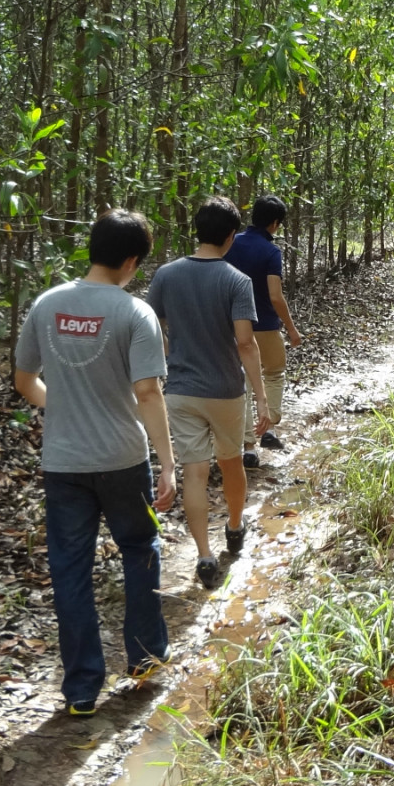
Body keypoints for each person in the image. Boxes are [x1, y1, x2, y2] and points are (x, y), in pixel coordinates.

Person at [11, 209, 177, 718]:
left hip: (64, 462)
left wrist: (61, 407)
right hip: (123, 458)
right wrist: (168, 463)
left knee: (70, 569)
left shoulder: (47, 305)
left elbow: (24, 381)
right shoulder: (136, 313)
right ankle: (145, 659)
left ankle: (82, 688)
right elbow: (148, 392)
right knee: (139, 549)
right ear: (131, 261)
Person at [144, 196, 272, 589]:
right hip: (225, 390)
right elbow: (246, 343)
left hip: (181, 390)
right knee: (231, 463)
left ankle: (203, 555)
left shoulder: (166, 275)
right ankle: (234, 526)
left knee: (194, 472)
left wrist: (170, 355)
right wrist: (261, 397)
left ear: (197, 230)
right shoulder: (236, 281)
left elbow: (151, 324)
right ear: (231, 235)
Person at [225, 196, 304, 469]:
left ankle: (248, 447)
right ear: (275, 223)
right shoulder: (271, 252)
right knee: (274, 372)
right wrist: (292, 329)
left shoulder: (230, 243)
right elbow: (275, 296)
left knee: (245, 384)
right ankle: (269, 426)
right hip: (266, 325)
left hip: (234, 327)